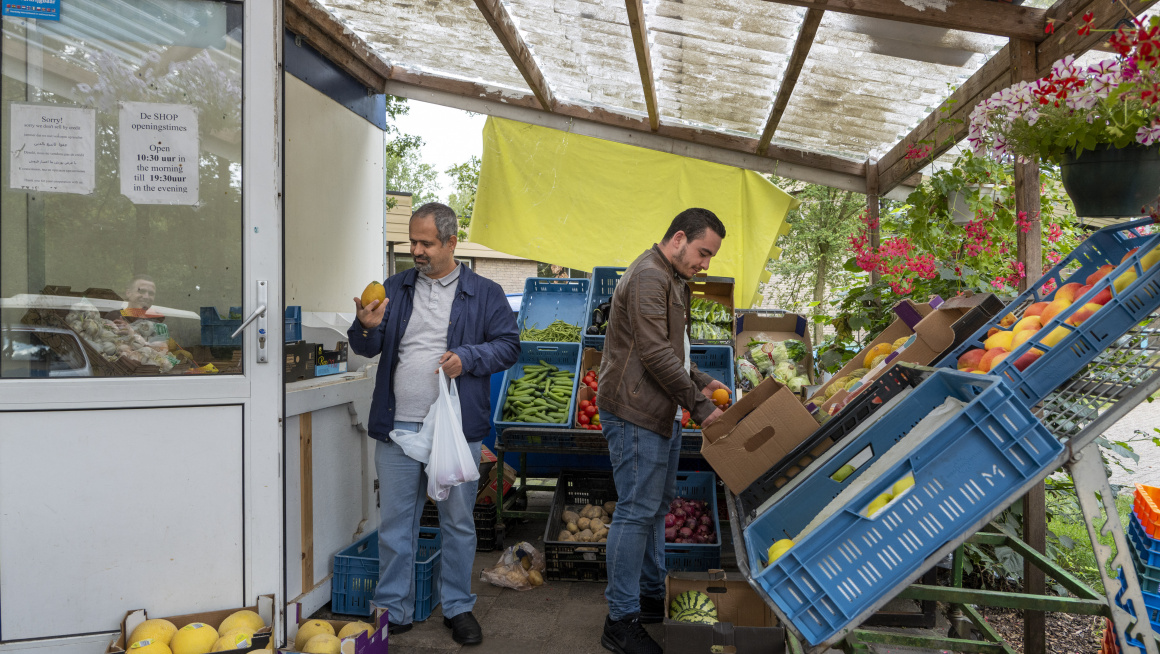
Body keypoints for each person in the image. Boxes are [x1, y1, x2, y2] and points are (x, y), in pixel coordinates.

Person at [347, 202, 520, 646]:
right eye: (413, 241)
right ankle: (393, 608)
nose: (416, 250)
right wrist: (365, 329)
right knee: (396, 523)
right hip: (398, 426)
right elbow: (367, 347)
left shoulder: (485, 293)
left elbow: (508, 346)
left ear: (450, 242)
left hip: (455, 429)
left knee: (458, 522)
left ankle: (459, 606)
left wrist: (469, 357)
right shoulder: (394, 287)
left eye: (426, 243)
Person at [595, 208, 729, 654]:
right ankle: (621, 621)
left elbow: (670, 347)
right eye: (703, 252)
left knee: (655, 507)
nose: (705, 263)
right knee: (636, 511)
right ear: (678, 239)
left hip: (659, 409)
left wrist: (701, 379)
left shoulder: (672, 277)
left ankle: (650, 594)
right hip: (636, 410)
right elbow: (653, 352)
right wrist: (700, 405)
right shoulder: (651, 277)